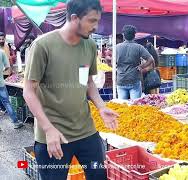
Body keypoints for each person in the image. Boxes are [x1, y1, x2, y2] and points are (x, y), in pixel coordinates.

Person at [23, 0, 119, 179]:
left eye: (97, 21)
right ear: (74, 18)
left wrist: (101, 106)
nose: (96, 27)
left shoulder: (89, 45)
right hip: (54, 136)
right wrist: (48, 128)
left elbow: (88, 82)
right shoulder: (42, 46)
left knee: (98, 175)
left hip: (86, 131)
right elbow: (29, 91)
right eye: (91, 21)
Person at [116, 25, 154, 100]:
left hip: (121, 79)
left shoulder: (117, 47)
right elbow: (151, 59)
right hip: (134, 79)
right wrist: (141, 66)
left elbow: (112, 63)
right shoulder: (139, 47)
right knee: (135, 105)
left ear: (123, 35)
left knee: (122, 106)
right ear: (134, 35)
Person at [0, 49, 24, 130]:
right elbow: (7, 67)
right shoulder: (2, 52)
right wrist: (1, 71)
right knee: (7, 103)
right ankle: (16, 122)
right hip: (1, 83)